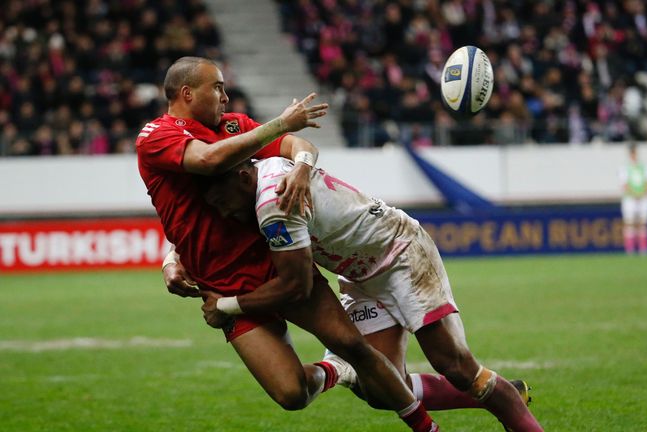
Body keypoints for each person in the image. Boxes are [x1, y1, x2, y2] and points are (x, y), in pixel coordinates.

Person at [138, 56, 439, 432]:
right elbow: (209, 164)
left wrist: (301, 166)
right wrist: (173, 256)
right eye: (217, 88)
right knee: (292, 394)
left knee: (358, 348)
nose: (226, 97)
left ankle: (427, 428)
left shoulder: (234, 127)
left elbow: (300, 144)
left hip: (277, 266)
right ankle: (334, 371)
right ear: (187, 93)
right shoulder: (157, 135)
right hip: (223, 287)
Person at [200, 157, 544, 432]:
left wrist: (226, 306)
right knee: (380, 391)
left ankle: (509, 408)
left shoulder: (273, 201)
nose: (224, 212)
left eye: (222, 202)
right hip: (358, 274)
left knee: (454, 365)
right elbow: (296, 143)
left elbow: (296, 287)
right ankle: (505, 395)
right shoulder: (266, 166)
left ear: (243, 179)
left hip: (400, 255)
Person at [619, 144, 647, 255]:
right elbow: (624, 185)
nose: (634, 155)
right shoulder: (625, 168)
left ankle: (643, 249)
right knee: (629, 223)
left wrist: (641, 194)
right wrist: (634, 195)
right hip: (630, 198)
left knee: (643, 224)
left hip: (643, 198)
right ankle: (630, 249)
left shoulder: (645, 167)